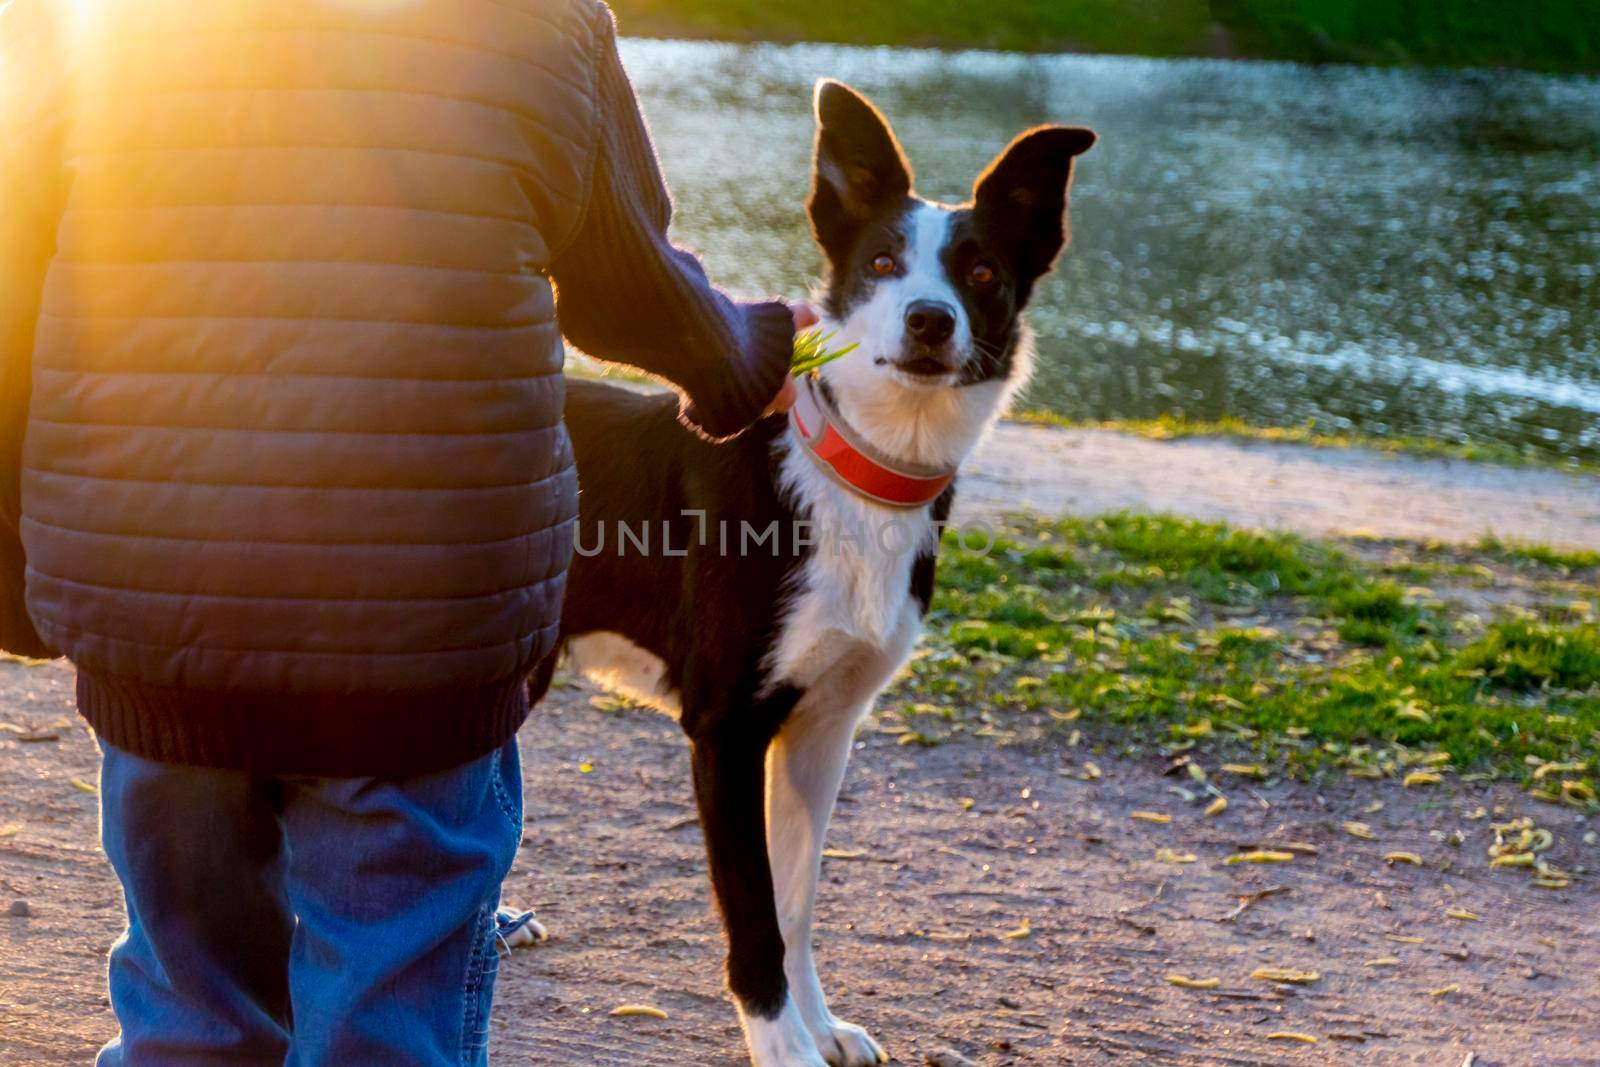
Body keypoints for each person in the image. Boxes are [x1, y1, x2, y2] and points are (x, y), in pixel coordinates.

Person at [0, 1, 807, 1063]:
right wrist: (745, 354)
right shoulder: (536, 24)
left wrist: (21, 577)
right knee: (386, 1028)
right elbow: (625, 289)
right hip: (423, 634)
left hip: (156, 607)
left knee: (189, 1015)